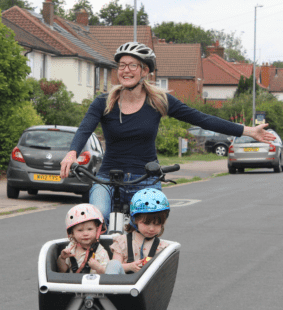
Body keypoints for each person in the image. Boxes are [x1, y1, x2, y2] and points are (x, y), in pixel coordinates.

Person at [59, 42, 275, 227]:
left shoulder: (159, 101)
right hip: (106, 178)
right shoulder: (103, 102)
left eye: (133, 65)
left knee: (146, 228)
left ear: (145, 71)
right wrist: (72, 153)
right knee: (94, 221)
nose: (126, 70)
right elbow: (84, 129)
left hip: (145, 178)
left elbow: (202, 119)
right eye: (121, 65)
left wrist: (247, 130)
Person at [105, 188, 171, 275]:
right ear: (134, 220)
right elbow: (115, 266)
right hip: (124, 285)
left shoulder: (162, 247)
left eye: (157, 224)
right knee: (113, 264)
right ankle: (110, 289)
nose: (151, 228)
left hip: (150, 285)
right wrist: (130, 266)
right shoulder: (122, 242)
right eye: (146, 223)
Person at [57, 204, 110, 274]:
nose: (85, 233)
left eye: (90, 229)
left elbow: (108, 275)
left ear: (97, 230)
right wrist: (62, 258)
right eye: (80, 230)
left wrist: (98, 267)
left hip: (94, 284)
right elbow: (63, 271)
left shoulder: (101, 252)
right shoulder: (70, 249)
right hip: (72, 284)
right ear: (72, 233)